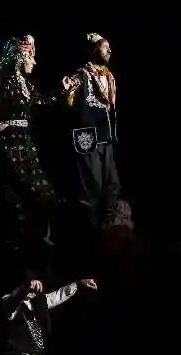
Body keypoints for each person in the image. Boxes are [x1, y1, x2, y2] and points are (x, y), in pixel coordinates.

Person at [0, 35, 72, 249]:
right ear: (21, 56)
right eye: (31, 57)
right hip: (10, 145)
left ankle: (38, 238)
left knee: (41, 192)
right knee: (18, 195)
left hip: (26, 144)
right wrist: (1, 126)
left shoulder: (27, 85)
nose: (34, 62)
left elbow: (44, 101)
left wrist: (62, 89)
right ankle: (17, 243)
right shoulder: (3, 82)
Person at [62, 33, 128, 230]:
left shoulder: (109, 76)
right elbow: (70, 94)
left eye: (109, 46)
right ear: (93, 50)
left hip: (107, 137)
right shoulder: (82, 74)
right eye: (104, 46)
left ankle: (108, 231)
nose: (109, 50)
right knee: (93, 189)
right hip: (88, 138)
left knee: (113, 186)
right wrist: (69, 90)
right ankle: (89, 234)